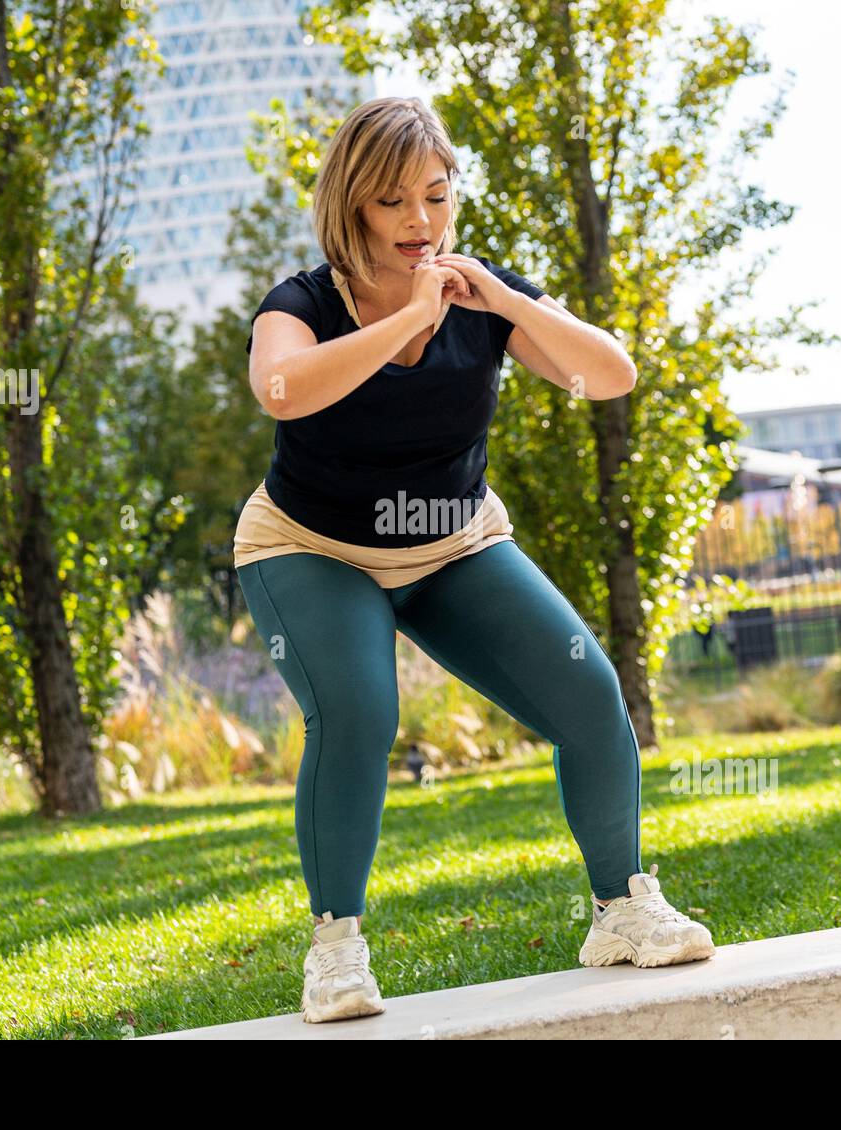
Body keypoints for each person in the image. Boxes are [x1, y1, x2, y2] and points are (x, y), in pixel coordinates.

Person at [236, 96, 714, 1024]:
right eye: (392, 202)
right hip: (310, 546)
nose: (421, 222)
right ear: (351, 207)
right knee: (360, 713)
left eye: (436, 196)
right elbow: (282, 390)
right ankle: (335, 951)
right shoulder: (302, 302)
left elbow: (609, 375)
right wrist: (406, 321)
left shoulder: (478, 292)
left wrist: (504, 300)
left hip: (454, 543)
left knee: (589, 692)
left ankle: (622, 909)